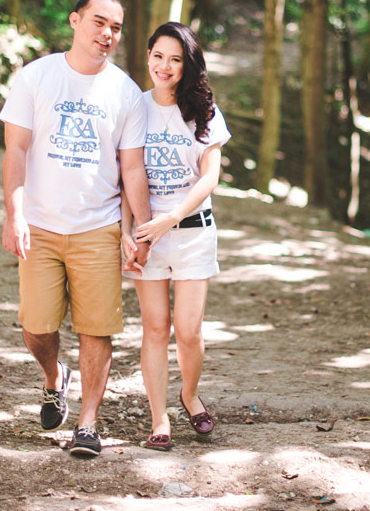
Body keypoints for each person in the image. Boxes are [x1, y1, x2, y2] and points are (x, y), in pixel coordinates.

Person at [0, 0, 152, 457]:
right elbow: (15, 150)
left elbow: (132, 169)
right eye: (98, 22)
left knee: (96, 329)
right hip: (40, 225)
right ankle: (53, 377)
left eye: (116, 28)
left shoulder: (126, 92)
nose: (107, 34)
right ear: (75, 20)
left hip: (98, 227)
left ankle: (87, 423)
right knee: (36, 325)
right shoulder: (37, 76)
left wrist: (140, 230)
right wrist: (14, 214)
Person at [121, 22, 231, 452]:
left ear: (188, 64)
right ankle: (159, 418)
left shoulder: (204, 111)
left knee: (187, 331)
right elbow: (126, 176)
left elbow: (210, 177)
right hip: (147, 236)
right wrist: (128, 232)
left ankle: (189, 394)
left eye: (175, 59)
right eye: (158, 56)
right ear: (147, 56)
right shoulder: (135, 107)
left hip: (193, 232)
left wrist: (172, 217)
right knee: (154, 328)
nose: (164, 66)